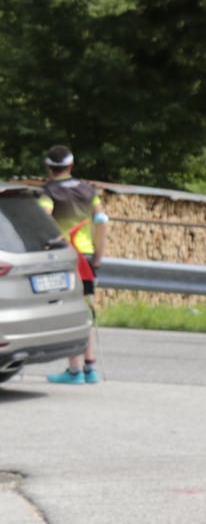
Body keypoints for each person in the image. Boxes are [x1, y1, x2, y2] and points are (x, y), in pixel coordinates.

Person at [37, 145, 109, 384]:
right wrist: (98, 256)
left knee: (67, 311)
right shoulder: (88, 190)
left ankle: (74, 369)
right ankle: (91, 368)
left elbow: (44, 218)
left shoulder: (48, 192)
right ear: (71, 165)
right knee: (85, 310)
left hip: (64, 256)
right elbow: (101, 220)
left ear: (48, 167)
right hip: (86, 257)